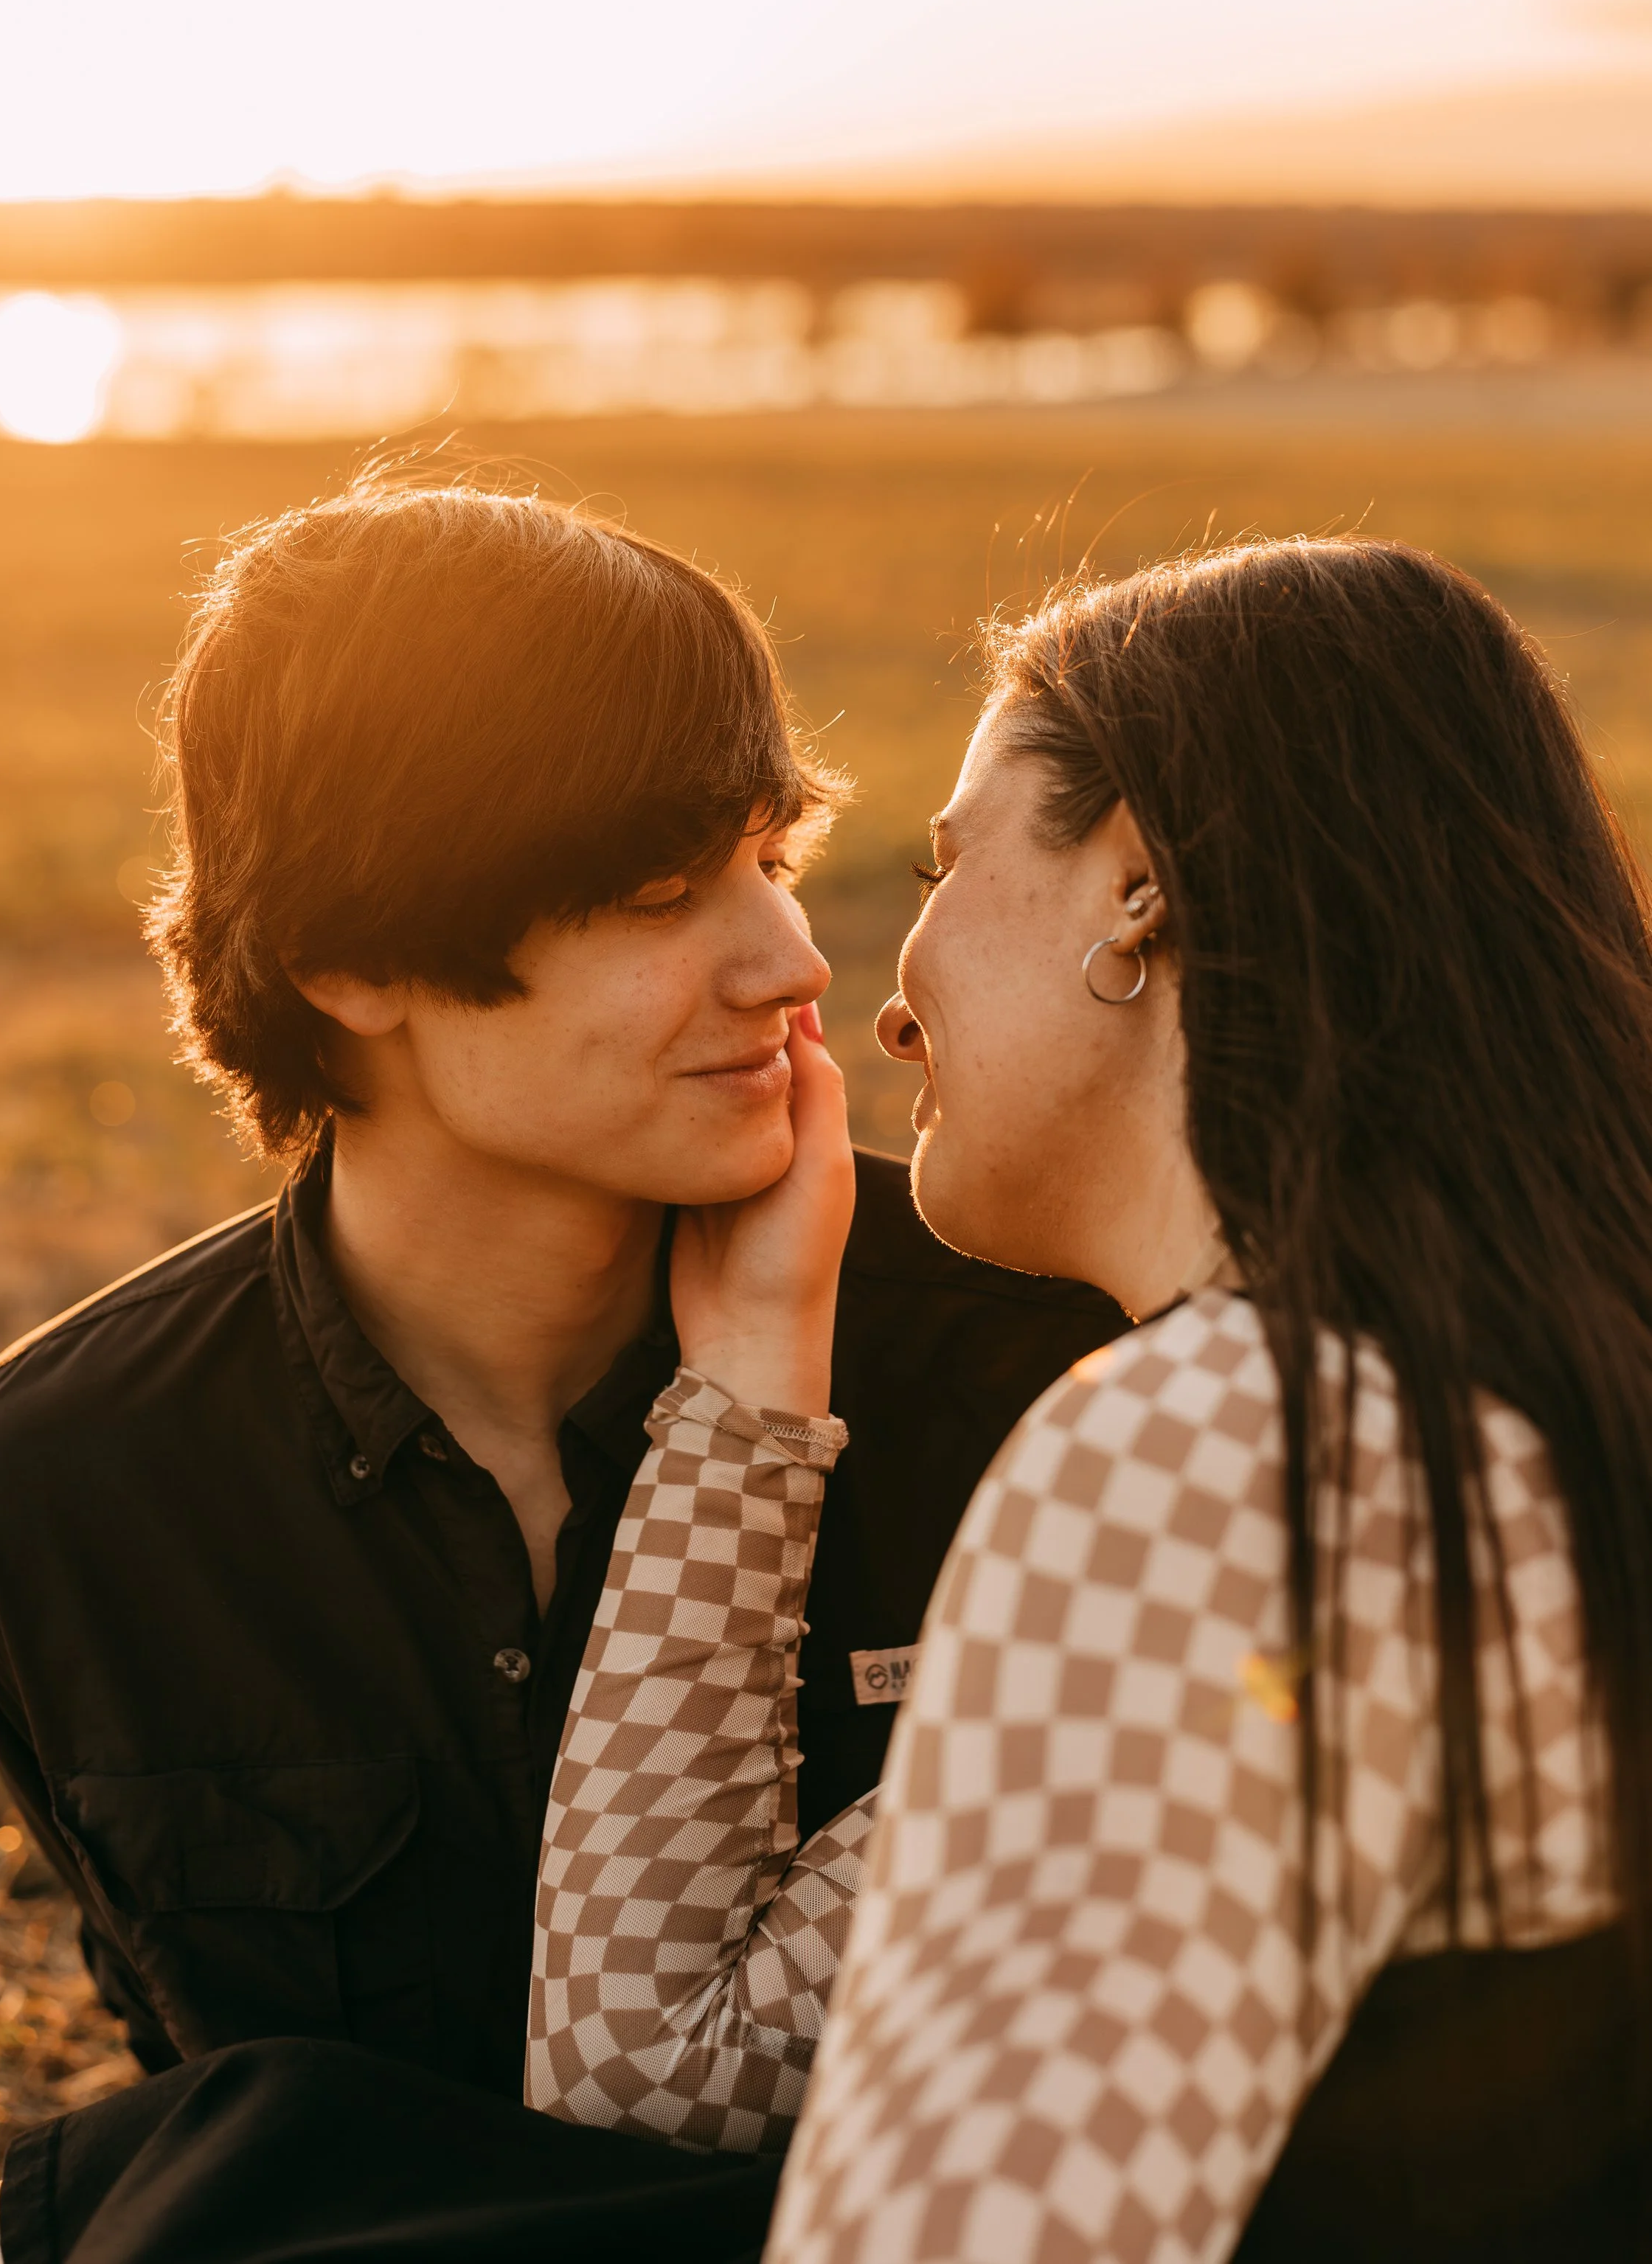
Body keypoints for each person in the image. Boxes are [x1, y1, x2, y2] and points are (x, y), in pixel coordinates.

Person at [0, 481, 1122, 2261]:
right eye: (654, 890)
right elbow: (256, 2117)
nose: (789, 962)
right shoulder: (60, 1493)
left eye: (767, 859)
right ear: (349, 955)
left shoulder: (1036, 1350)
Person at [524, 536, 1651, 2259]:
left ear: (1135, 884)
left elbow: (737, 2135)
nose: (877, 1003)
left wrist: (742, 1406)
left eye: (937, 864)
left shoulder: (1223, 1465)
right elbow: (679, 2069)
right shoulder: (1510, 1389)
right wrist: (755, 1364)